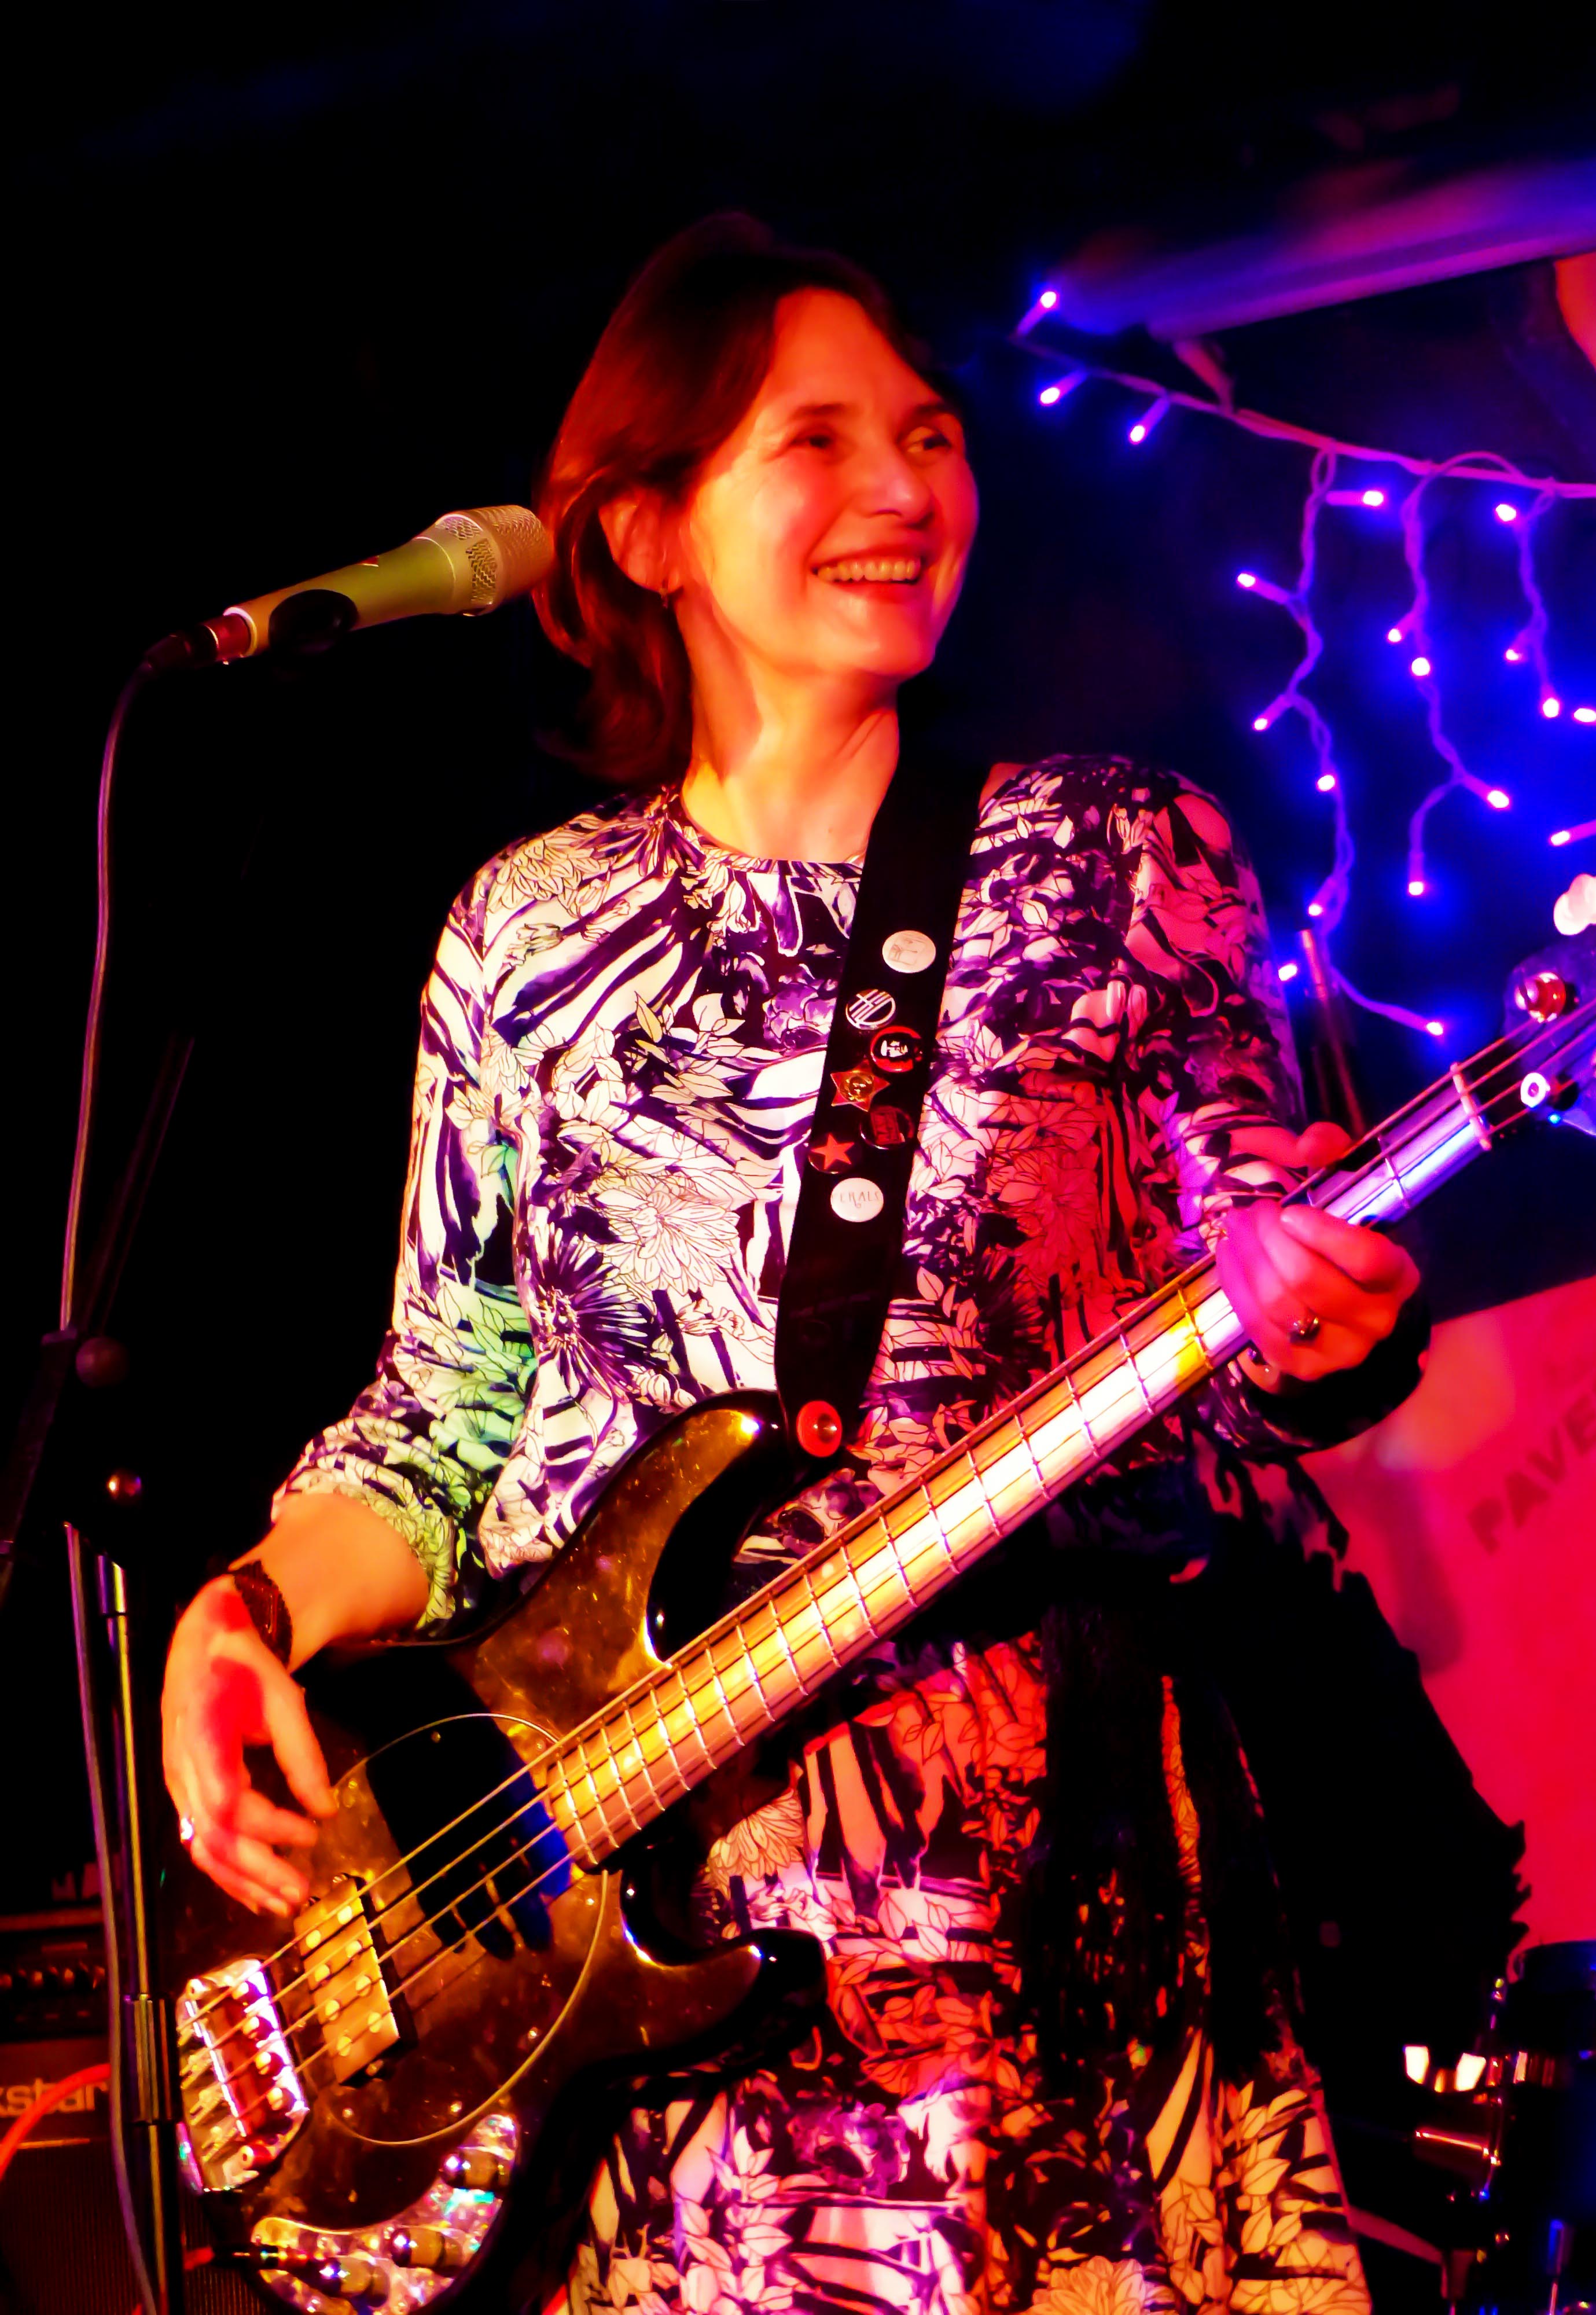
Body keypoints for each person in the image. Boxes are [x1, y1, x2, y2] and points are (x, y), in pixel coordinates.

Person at [162, 216, 1427, 2315]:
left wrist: (1314, 1310)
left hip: (1020, 1897)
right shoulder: (523, 929)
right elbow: (443, 1416)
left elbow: (1255, 1253)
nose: (905, 488)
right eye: (816, 442)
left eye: (927, 436)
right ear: (645, 529)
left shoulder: (1115, 854)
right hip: (601, 1943)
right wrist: (254, 1610)